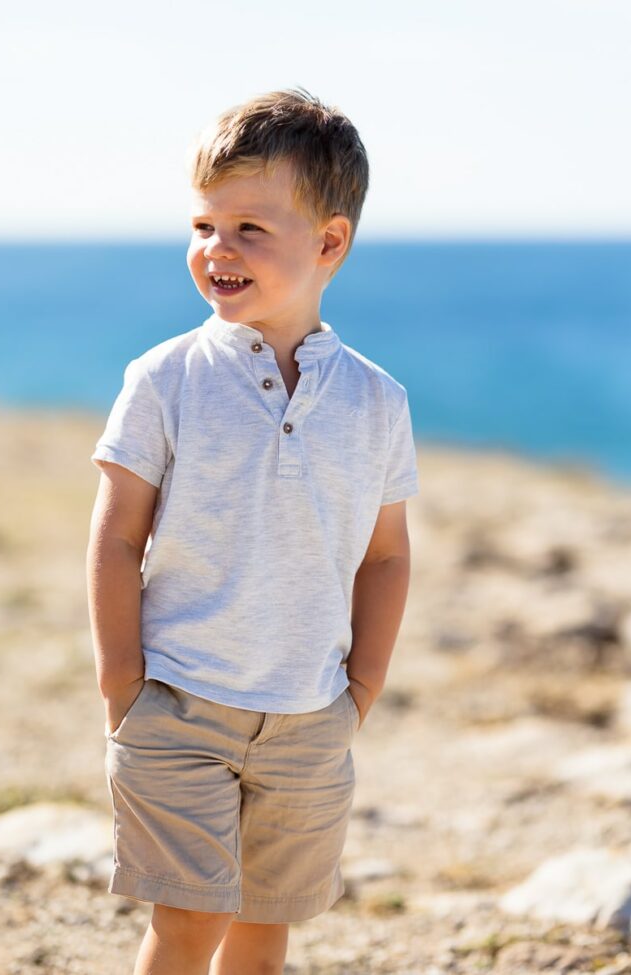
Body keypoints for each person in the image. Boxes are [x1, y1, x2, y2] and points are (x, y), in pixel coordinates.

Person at [86, 86, 420, 975]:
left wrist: (362, 689)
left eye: (248, 229)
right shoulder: (164, 379)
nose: (215, 250)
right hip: (180, 704)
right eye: (203, 225)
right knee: (190, 918)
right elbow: (117, 537)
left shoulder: (377, 400)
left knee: (266, 928)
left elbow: (385, 554)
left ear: (330, 243)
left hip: (312, 717)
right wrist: (123, 682)